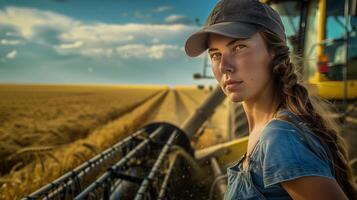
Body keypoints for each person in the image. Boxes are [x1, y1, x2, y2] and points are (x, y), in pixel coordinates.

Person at [184, 0, 357, 199]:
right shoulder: (271, 132)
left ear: (274, 52)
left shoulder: (279, 138)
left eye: (239, 47)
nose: (224, 66)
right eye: (215, 55)